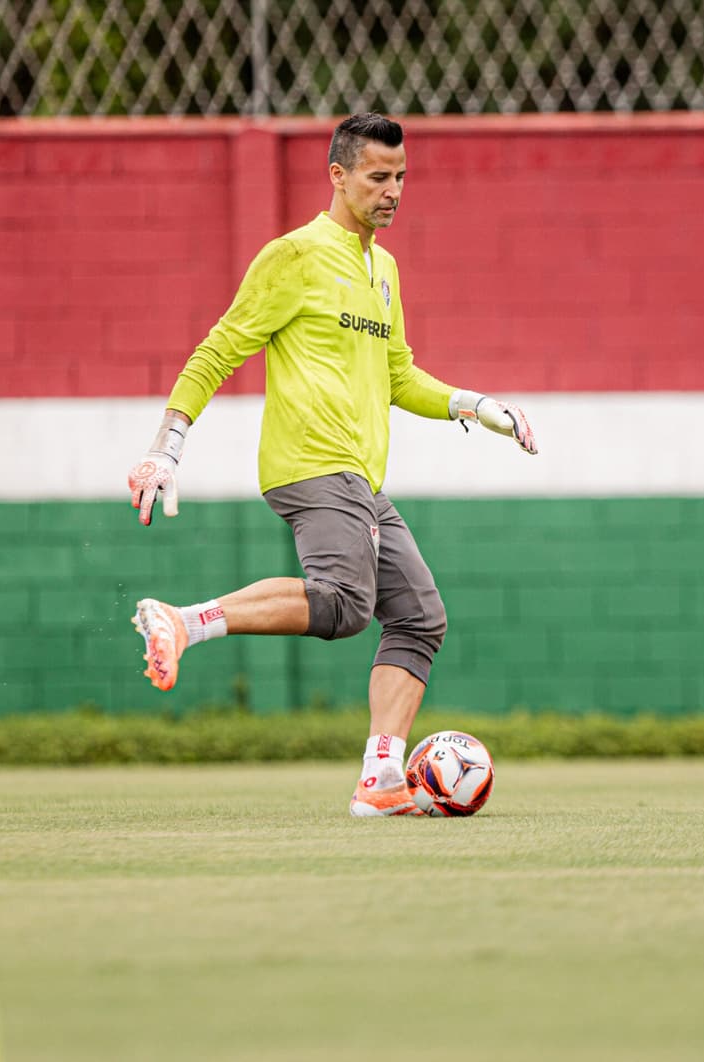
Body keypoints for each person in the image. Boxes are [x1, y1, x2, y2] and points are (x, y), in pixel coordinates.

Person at [127, 112, 537, 817]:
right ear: (339, 176)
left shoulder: (384, 270)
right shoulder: (294, 255)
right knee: (346, 605)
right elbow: (219, 349)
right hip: (311, 464)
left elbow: (400, 375)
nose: (393, 191)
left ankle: (380, 780)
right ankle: (184, 621)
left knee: (417, 617)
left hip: (361, 478)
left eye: (402, 177)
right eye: (379, 177)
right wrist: (166, 447)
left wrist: (474, 404)